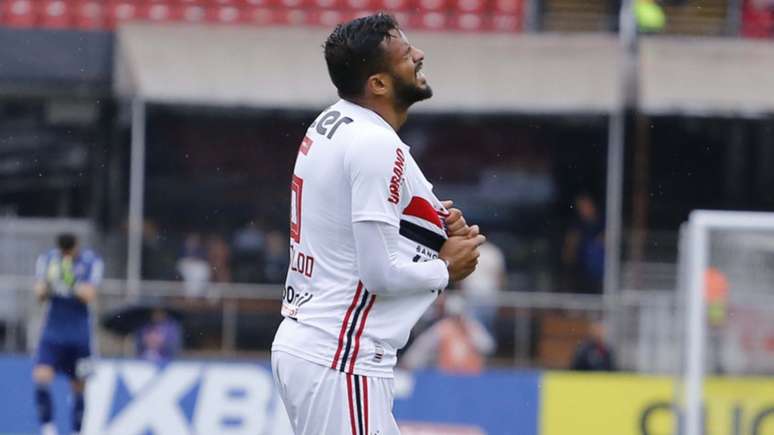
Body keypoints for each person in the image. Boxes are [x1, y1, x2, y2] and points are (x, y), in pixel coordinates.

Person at [271, 13, 485, 435]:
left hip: (320, 347)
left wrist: (431, 219)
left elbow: (348, 221)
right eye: (406, 55)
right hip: (341, 356)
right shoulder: (375, 144)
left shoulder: (333, 121)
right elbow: (377, 272)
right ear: (379, 84)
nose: (419, 55)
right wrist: (446, 269)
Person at [32, 233, 103, 435]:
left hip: (80, 336)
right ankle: (48, 429)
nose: (66, 253)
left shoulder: (91, 261)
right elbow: (38, 294)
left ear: (77, 247)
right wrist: (49, 283)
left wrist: (70, 280)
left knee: (79, 387)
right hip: (53, 334)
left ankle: (76, 431)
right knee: (41, 377)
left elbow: (89, 295)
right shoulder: (47, 260)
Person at [400, 294, 495, 374]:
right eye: (453, 315)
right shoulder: (443, 328)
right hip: (447, 376)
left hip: (471, 375)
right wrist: (409, 362)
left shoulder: (472, 327)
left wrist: (469, 332)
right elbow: (423, 346)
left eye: (458, 316)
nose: (456, 319)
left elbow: (488, 347)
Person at [459, 241, 507, 333]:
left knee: (478, 327)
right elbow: (500, 277)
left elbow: (499, 276)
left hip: (485, 294)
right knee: (475, 327)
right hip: (475, 294)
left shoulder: (492, 251)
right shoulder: (492, 251)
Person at [562, 193, 605, 293]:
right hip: (582, 273)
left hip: (600, 273)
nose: (583, 210)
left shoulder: (604, 223)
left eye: (585, 206)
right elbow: (568, 254)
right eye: (580, 207)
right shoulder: (576, 227)